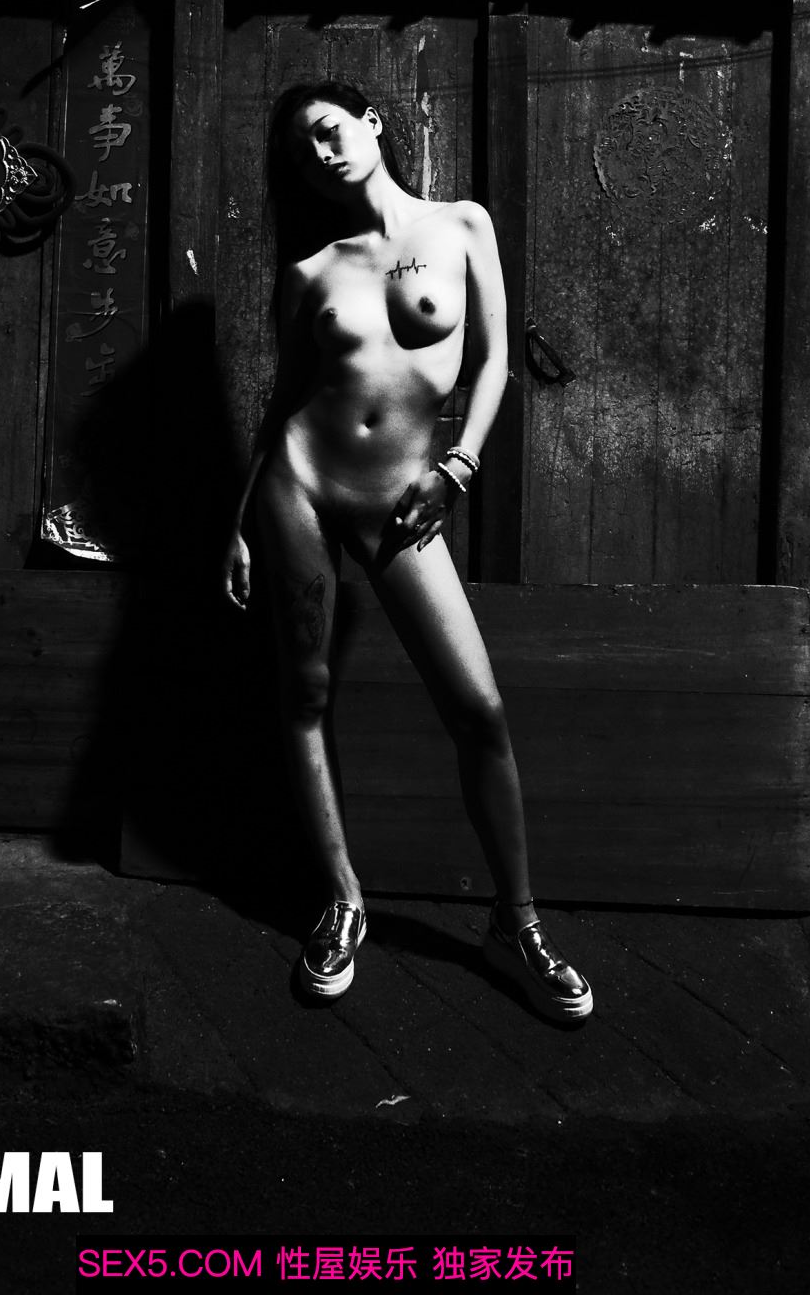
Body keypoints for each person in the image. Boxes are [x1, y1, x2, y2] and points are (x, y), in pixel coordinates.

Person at [222, 80, 592, 1024]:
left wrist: (458, 466)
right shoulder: (310, 269)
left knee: (478, 711)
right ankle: (342, 901)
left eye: (329, 130)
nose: (322, 153)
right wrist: (237, 521)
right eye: (304, 149)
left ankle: (516, 923)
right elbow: (282, 398)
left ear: (372, 123)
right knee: (304, 696)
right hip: (297, 488)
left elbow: (493, 359)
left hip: (402, 498)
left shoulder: (460, 224)